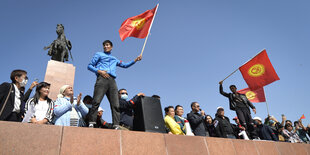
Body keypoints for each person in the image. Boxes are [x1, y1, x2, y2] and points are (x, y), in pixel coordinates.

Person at [87, 40, 142, 128]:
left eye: (107, 45)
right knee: (96, 101)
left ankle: (116, 124)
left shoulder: (114, 59)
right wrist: (99, 71)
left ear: (111, 47)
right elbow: (89, 66)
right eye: (104, 45)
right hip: (102, 78)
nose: (105, 47)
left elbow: (125, 65)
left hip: (112, 80)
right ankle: (92, 122)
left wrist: (135, 60)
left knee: (115, 103)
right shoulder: (99, 54)